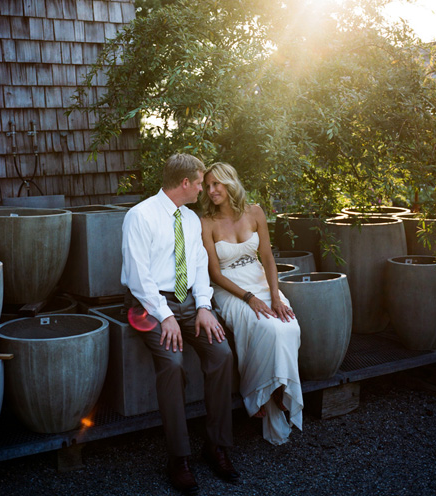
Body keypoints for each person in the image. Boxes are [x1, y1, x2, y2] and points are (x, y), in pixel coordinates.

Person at [121, 153, 239, 494]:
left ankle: (216, 445)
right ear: (185, 183)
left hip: (189, 301)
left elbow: (199, 266)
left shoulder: (190, 219)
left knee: (221, 354)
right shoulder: (140, 216)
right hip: (148, 304)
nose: (204, 189)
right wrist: (166, 315)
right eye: (201, 183)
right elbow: (138, 276)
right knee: (172, 363)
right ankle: (179, 457)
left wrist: (204, 306)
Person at [200, 162, 303, 446]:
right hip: (230, 288)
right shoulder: (206, 222)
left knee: (288, 326)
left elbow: (268, 259)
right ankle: (258, 392)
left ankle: (278, 389)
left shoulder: (255, 212)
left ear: (230, 182)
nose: (211, 191)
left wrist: (274, 294)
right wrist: (249, 298)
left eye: (216, 184)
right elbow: (214, 273)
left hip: (260, 281)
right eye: (207, 186)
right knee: (265, 328)